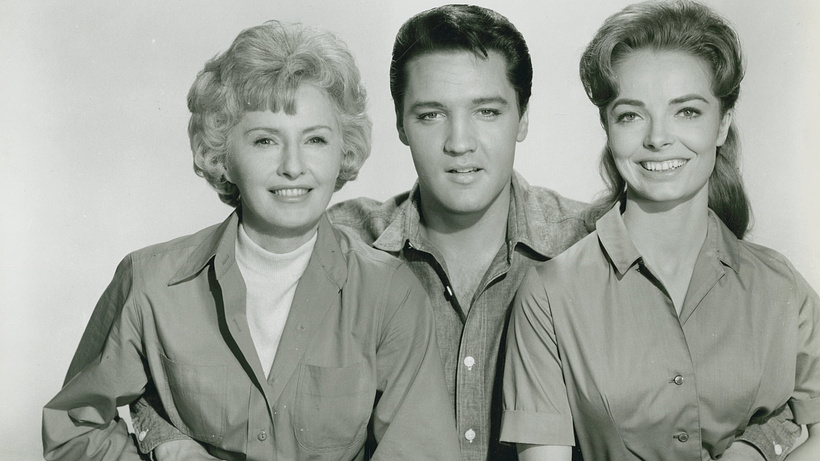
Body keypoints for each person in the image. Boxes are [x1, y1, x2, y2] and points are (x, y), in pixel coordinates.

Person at [70, 5, 800, 461]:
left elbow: (736, 381)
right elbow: (186, 365)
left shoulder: (595, 249)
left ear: (523, 120)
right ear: (397, 125)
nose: (459, 142)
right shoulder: (339, 243)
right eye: (430, 115)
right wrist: (162, 439)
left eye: (487, 111)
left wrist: (759, 445)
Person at [41, 20, 459, 461]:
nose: (293, 166)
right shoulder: (149, 283)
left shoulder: (390, 294)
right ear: (222, 155)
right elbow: (73, 429)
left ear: (344, 151)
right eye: (265, 141)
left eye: (315, 139)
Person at [499, 1, 820, 460]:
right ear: (608, 127)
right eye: (631, 115)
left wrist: (759, 448)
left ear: (723, 124)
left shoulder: (780, 286)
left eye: (686, 111)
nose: (657, 138)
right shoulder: (550, 295)